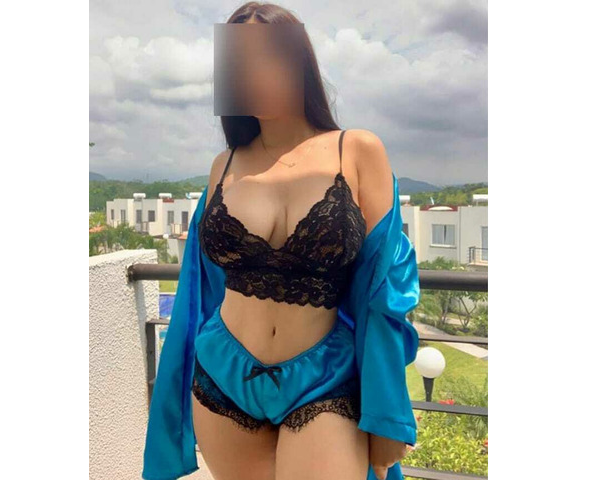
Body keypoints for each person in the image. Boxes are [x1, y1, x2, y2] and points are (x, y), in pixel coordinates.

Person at [143, 3, 421, 480]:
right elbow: (201, 284)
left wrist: (387, 411)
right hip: (222, 375)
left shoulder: (357, 150)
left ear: (300, 61)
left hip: (324, 379)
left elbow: (386, 289)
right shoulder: (224, 165)